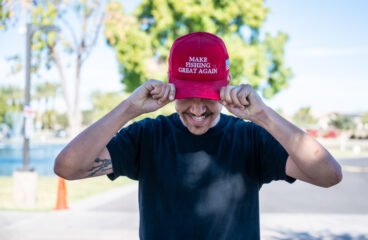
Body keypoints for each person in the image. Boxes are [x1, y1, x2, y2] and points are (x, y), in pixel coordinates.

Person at [54, 32, 342, 240]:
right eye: (188, 95)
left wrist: (263, 114)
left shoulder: (252, 139)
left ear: (226, 87)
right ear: (171, 88)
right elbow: (68, 167)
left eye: (208, 96)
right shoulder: (147, 135)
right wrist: (129, 108)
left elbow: (329, 174)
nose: (197, 108)